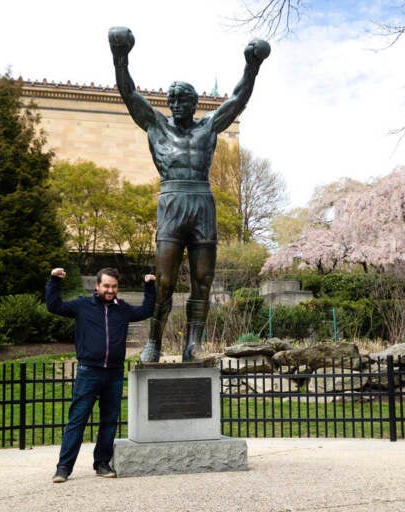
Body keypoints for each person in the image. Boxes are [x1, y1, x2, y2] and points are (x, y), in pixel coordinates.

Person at [107, 26, 270, 362]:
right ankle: (154, 341)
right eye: (172, 99)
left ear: (196, 104)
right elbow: (129, 94)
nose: (177, 104)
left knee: (203, 280)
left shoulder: (208, 126)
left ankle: (192, 345)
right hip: (172, 202)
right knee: (165, 281)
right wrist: (120, 57)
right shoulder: (155, 124)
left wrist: (251, 66)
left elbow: (237, 99)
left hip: (202, 203)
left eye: (184, 99)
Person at [45, 267, 156, 483]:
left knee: (109, 421)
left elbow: (146, 310)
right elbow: (54, 306)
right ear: (97, 286)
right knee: (77, 420)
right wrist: (54, 281)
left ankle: (102, 463)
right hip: (89, 371)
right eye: (106, 286)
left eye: (114, 286)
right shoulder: (82, 306)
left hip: (114, 373)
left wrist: (149, 287)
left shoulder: (122, 309)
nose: (110, 290)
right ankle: (63, 468)